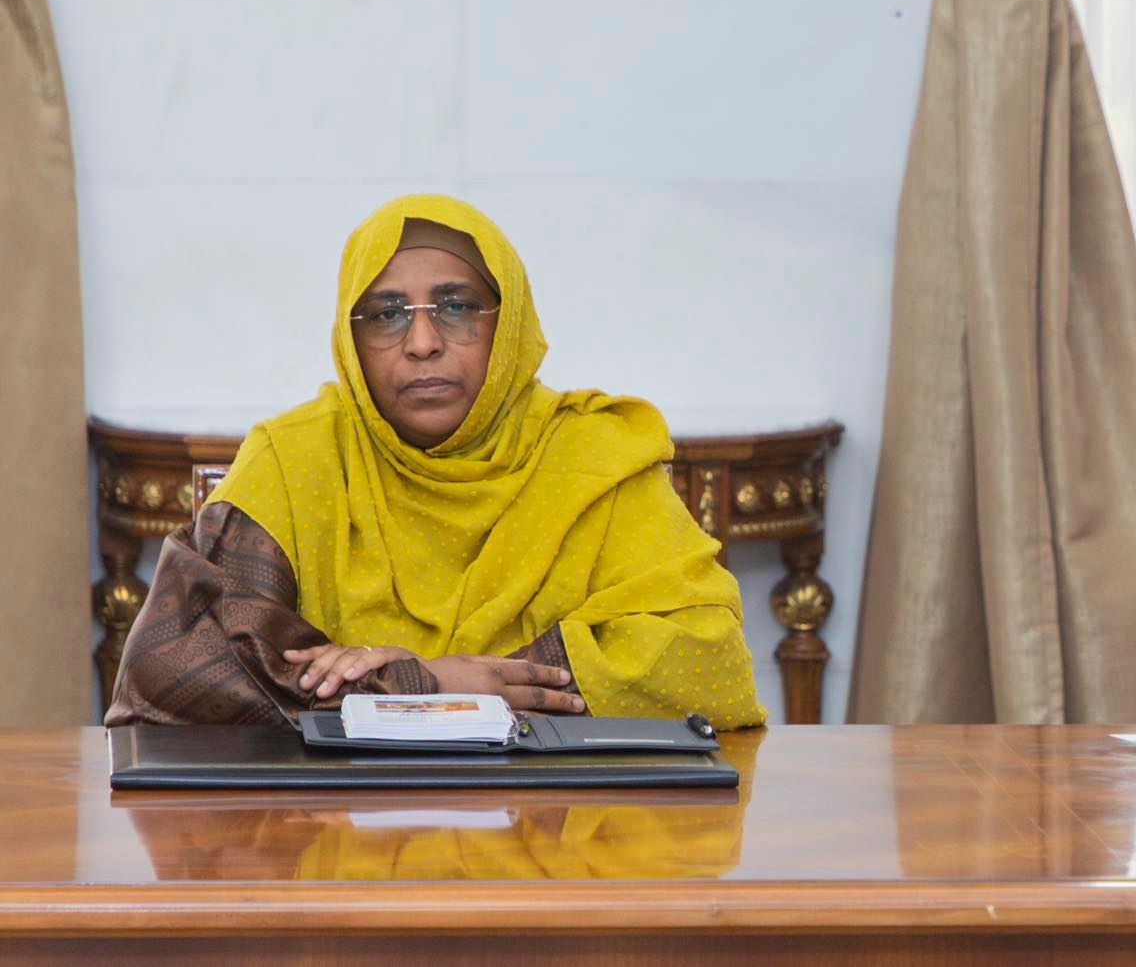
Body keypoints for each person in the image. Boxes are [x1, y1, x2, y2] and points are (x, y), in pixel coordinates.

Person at [106, 194, 767, 729]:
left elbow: (708, 659)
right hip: (336, 829)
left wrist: (479, 692)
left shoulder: (594, 455)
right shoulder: (298, 459)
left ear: (508, 324)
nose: (422, 342)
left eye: (456, 307)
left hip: (557, 822)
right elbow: (168, 667)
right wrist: (425, 685)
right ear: (349, 339)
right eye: (386, 314)